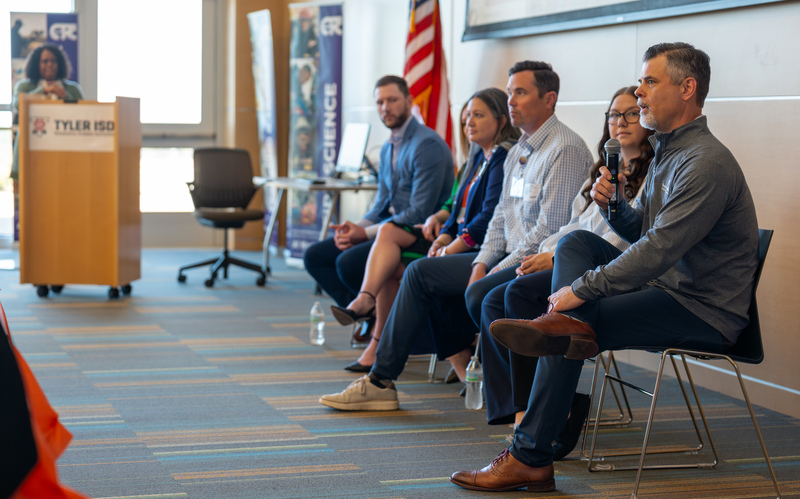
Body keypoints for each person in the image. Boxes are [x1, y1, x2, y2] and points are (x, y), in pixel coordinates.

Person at [450, 42, 759, 493]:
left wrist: (583, 289)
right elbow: (643, 231)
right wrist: (614, 207)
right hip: (666, 287)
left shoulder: (704, 161)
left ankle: (529, 456)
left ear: (687, 88)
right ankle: (537, 427)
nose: (640, 91)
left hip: (700, 308)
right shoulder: (670, 152)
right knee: (576, 246)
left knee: (573, 324)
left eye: (650, 81)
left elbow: (658, 249)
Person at [318, 60, 593, 411]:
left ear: (549, 98)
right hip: (503, 255)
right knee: (421, 272)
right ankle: (382, 381)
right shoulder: (520, 150)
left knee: (456, 285)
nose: (511, 100)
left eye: (521, 93)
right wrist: (481, 263)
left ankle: (504, 395)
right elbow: (499, 221)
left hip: (538, 262)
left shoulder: (563, 149)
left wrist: (493, 268)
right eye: (510, 92)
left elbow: (546, 233)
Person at [478, 85, 653, 460]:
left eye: (630, 114)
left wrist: (556, 259)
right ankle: (529, 409)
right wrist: (547, 251)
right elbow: (574, 225)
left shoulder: (652, 174)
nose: (620, 122)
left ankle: (543, 413)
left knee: (516, 294)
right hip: (571, 259)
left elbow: (623, 242)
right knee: (492, 300)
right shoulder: (602, 172)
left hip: (608, 271)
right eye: (613, 115)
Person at [330, 88, 518, 374]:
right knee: (388, 250)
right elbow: (454, 208)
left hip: (483, 247)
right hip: (455, 237)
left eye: (478, 115)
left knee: (414, 270)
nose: (469, 122)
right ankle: (375, 323)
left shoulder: (503, 158)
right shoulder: (475, 159)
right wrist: (443, 235)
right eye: (466, 117)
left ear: (502, 120)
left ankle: (385, 357)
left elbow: (488, 218)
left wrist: (450, 246)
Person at [303, 75, 453, 312]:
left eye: (392, 100)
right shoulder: (388, 147)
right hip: (387, 230)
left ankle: (373, 315)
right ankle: (370, 315)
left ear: (409, 101)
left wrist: (365, 233)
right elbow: (381, 204)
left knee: (347, 263)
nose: (385, 108)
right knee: (315, 256)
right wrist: (356, 228)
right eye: (380, 102)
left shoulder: (426, 144)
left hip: (417, 234)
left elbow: (419, 212)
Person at [11, 44, 85, 180]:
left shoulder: (73, 89)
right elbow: (18, 105)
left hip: (63, 146)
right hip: (31, 146)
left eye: (53, 61)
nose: (50, 64)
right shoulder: (24, 86)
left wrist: (64, 95)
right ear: (36, 64)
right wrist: (44, 90)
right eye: (45, 61)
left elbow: (83, 114)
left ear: (60, 64)